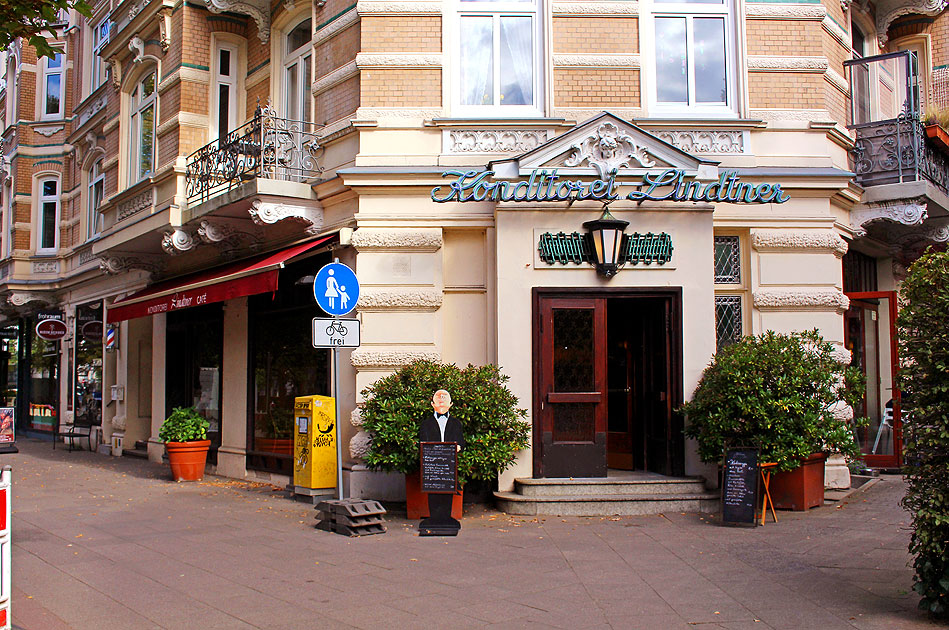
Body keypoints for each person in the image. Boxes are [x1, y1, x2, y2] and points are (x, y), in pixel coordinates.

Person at [418, 389, 464, 535]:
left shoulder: (456, 424)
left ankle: (446, 517)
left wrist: (458, 447)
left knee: (448, 488)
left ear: (450, 404)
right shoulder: (426, 424)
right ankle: (434, 518)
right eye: (438, 401)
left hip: (449, 463)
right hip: (432, 464)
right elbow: (422, 441)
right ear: (432, 404)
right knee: (433, 488)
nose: (442, 403)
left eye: (445, 401)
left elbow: (461, 441)